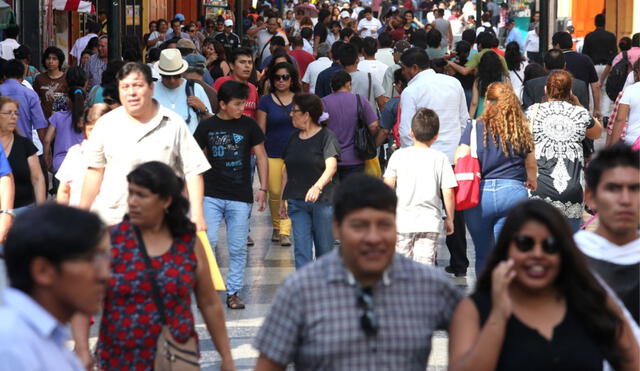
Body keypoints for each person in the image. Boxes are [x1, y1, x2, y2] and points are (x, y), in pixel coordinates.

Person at [254, 173, 463, 370]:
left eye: (384, 225)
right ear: (336, 227)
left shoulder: (429, 285)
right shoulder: (300, 291)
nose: (373, 238)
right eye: (359, 226)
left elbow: (470, 342)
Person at [74, 162, 235, 370]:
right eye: (130, 193)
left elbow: (209, 303)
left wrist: (227, 356)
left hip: (176, 357)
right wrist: (82, 350)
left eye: (141, 195)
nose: (132, 202)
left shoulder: (188, 243)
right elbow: (81, 301)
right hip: (120, 357)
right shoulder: (111, 240)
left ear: (166, 200)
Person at [448, 199, 640, 370]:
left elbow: (632, 360)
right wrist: (498, 314)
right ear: (507, 248)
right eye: (525, 243)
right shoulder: (474, 309)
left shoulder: (592, 300)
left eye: (550, 245)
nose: (537, 254)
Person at [79, 62, 210, 229]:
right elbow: (94, 172)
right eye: (125, 87)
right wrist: (82, 214)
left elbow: (193, 171)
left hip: (162, 222)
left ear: (151, 88)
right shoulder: (105, 124)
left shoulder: (173, 123)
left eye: (138, 86)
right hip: (115, 219)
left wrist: (197, 215)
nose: (131, 92)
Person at [0, 204, 110, 370]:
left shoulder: (46, 339)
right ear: (42, 271)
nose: (105, 274)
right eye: (91, 259)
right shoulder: (12, 343)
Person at [194, 80, 267, 310]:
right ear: (223, 104)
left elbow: (262, 156)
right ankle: (207, 288)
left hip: (240, 195)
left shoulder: (249, 125)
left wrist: (263, 188)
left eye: (243, 104)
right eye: (237, 104)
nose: (242, 108)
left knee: (237, 247)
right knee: (209, 242)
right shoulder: (206, 127)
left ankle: (234, 291)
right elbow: (194, 157)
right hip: (211, 194)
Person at [399, 47, 470, 277]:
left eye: (405, 69)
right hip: (452, 157)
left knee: (426, 210)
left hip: (424, 157)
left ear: (414, 68)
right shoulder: (453, 83)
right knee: (454, 212)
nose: (404, 73)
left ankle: (427, 262)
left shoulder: (412, 91)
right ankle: (459, 263)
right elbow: (463, 120)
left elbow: (406, 130)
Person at [455, 82, 537, 274]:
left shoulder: (475, 127)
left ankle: (485, 299)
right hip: (513, 192)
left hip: (480, 195)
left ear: (488, 101)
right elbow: (531, 163)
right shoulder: (521, 127)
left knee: (483, 253)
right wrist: (532, 179)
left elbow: (460, 156)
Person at [526, 70, 602, 232]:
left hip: (540, 187)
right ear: (570, 91)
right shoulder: (579, 114)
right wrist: (579, 104)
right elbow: (597, 132)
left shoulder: (533, 112)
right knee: (569, 248)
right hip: (572, 189)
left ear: (546, 90)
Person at [575, 143, 640, 325]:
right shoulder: (569, 257)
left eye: (635, 188)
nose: (625, 200)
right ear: (590, 197)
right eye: (613, 188)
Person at [383, 108, 457, 265]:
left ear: (411, 132)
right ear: (436, 137)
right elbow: (448, 192)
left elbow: (387, 187)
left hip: (402, 221)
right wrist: (450, 218)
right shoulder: (440, 158)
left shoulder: (398, 156)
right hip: (429, 222)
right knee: (424, 270)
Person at [278, 93, 340, 269]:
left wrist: (317, 187)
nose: (291, 114)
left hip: (323, 202)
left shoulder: (327, 137)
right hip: (297, 201)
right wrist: (282, 200)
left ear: (307, 115)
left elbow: (331, 167)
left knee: (324, 250)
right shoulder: (292, 139)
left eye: (294, 110)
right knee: (302, 250)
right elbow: (286, 170)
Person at [256, 63, 300, 247]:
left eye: (285, 77)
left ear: (291, 79)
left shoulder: (299, 99)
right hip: (272, 152)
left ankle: (284, 231)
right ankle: (276, 227)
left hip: (295, 152)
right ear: (272, 80)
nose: (281, 81)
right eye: (277, 77)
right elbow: (260, 130)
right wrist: (261, 153)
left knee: (288, 193)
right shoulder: (265, 101)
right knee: (274, 192)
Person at [323, 71, 379, 179]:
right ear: (348, 84)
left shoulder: (323, 102)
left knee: (332, 194)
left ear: (332, 86)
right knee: (352, 193)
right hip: (355, 158)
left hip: (330, 158)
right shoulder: (360, 100)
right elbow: (374, 126)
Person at [56, 104, 111, 207]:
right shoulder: (75, 153)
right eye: (91, 129)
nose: (96, 134)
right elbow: (64, 191)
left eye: (101, 129)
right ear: (84, 129)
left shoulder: (116, 154)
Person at [0, 96, 45, 215]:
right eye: (8, 113)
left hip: (23, 211)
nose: (13, 117)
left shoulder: (24, 144)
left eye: (16, 113)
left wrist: (40, 210)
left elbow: (37, 178)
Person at [43, 67, 86, 187]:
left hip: (60, 166)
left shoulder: (57, 116)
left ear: (69, 100)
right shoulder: (88, 119)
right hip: (82, 166)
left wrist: (47, 158)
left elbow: (47, 140)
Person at [152, 49, 212, 133]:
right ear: (160, 73)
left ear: (182, 72)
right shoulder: (150, 90)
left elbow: (213, 122)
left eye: (176, 75)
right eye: (167, 76)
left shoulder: (195, 89)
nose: (172, 80)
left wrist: (203, 109)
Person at [552, 31, 601, 119]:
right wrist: (597, 108)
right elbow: (595, 86)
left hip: (557, 106)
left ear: (557, 45)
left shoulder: (554, 59)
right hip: (581, 105)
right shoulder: (585, 59)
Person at [521, 48, 590, 110]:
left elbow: (527, 111)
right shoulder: (580, 85)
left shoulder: (531, 85)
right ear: (564, 65)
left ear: (544, 66)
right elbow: (585, 111)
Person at [0, 60, 48, 146]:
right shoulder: (30, 94)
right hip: (24, 148)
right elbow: (40, 125)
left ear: (4, 76)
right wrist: (47, 151)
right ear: (22, 77)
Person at [582, 14, 618, 118]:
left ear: (595, 22)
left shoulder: (589, 36)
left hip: (593, 66)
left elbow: (585, 54)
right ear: (605, 22)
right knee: (606, 90)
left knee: (593, 89)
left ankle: (594, 112)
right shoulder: (611, 36)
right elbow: (614, 54)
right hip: (607, 66)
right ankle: (605, 114)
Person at [212, 48, 259, 119]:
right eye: (242, 62)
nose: (247, 66)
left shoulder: (253, 88)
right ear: (232, 66)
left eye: (250, 62)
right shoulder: (221, 82)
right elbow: (212, 107)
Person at [608, 59, 640, 147]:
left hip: (633, 141)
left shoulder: (630, 90)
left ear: (637, 71)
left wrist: (613, 148)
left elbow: (620, 119)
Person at [469, 50, 509, 118]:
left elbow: (474, 103)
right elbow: (509, 99)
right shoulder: (505, 80)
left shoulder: (478, 81)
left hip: (482, 115)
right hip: (499, 117)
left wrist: (470, 119)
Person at [33, 46, 68, 119]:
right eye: (48, 58)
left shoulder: (66, 79)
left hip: (61, 120)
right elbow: (35, 99)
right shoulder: (39, 78)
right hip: (43, 119)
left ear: (60, 61)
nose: (50, 61)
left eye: (54, 59)